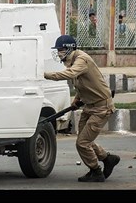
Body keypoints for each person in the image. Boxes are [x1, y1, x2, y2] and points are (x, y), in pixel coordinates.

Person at [44, 35, 120, 182]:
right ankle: (107, 158)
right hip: (89, 106)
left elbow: (71, 74)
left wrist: (44, 75)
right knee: (85, 140)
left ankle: (96, 171)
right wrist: (76, 100)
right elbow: (81, 84)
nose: (59, 53)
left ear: (69, 49)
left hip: (101, 107)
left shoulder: (81, 60)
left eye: (61, 50)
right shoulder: (72, 62)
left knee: (82, 143)